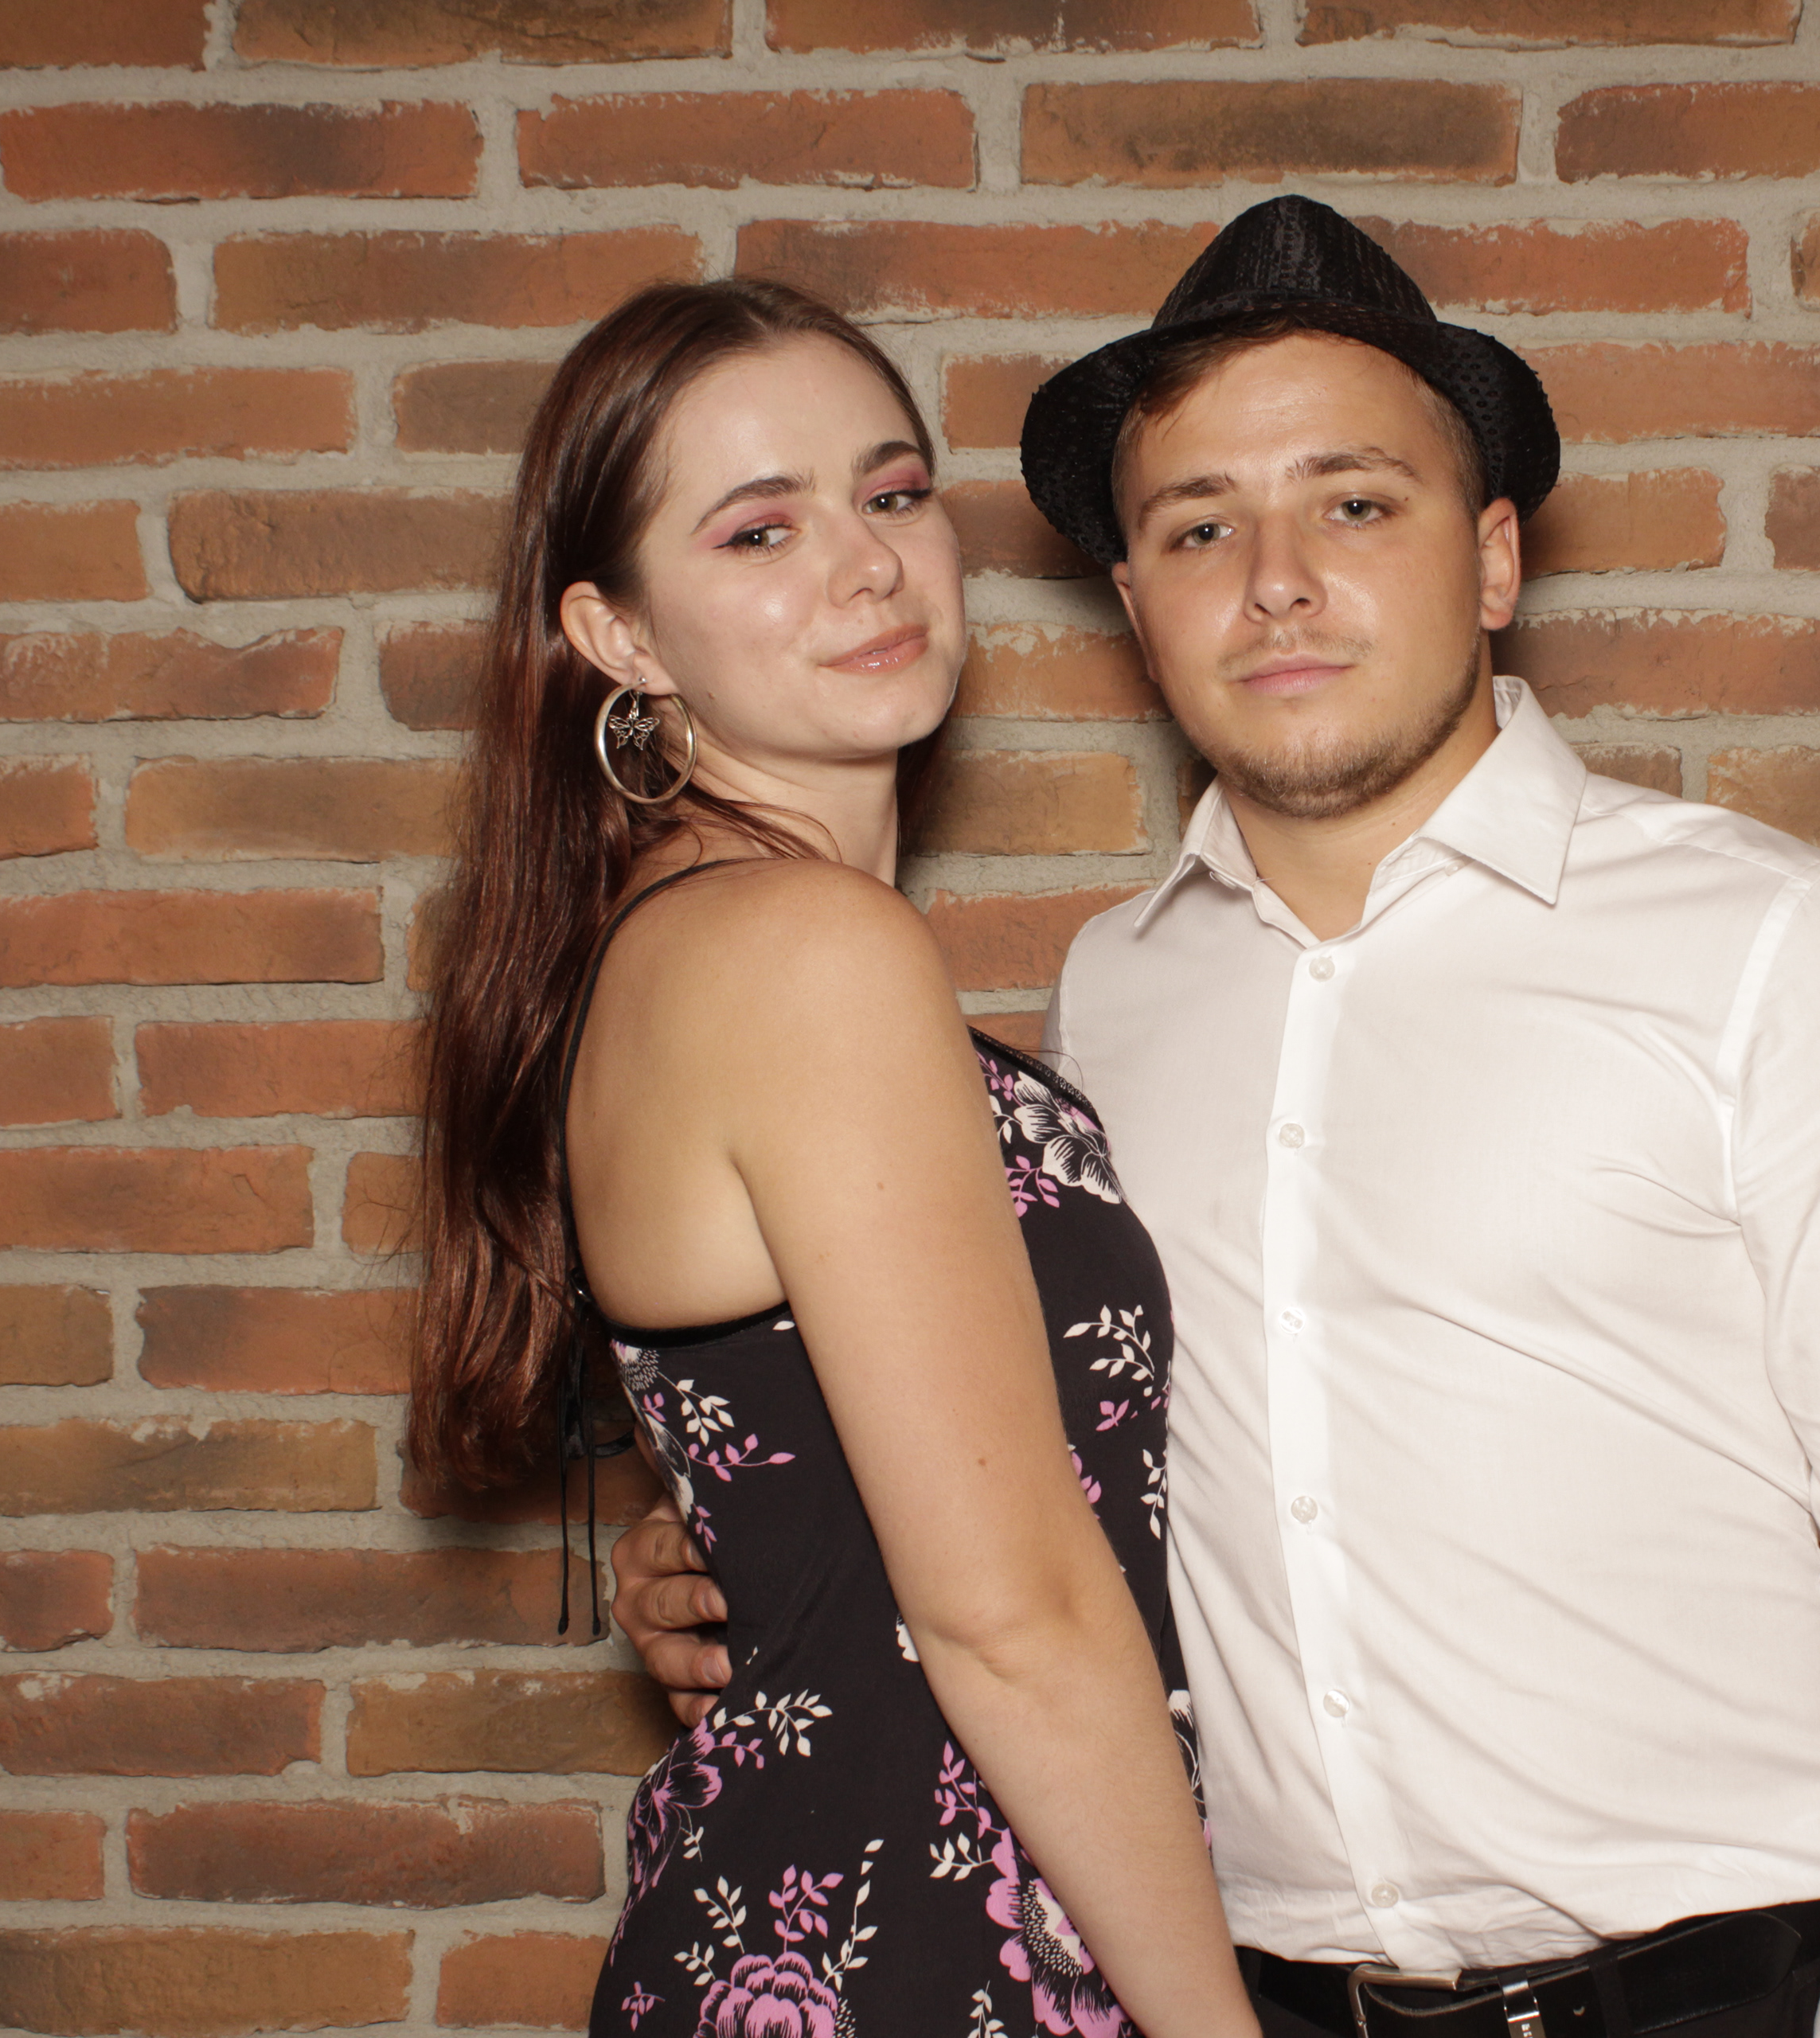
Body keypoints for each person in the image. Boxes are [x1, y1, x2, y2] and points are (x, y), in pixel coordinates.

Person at [615, 201, 1820, 2038]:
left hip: (1713, 1990)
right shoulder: (1108, 1003)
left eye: (1354, 502)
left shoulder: (1786, 956)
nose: (1276, 580)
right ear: (1134, 605)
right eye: (1199, 527)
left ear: (1491, 559)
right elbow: (1027, 1459)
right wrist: (749, 1538)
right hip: (1239, 1992)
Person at [408, 276, 1258, 2038]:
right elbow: (1012, 1616)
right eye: (758, 529)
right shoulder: (807, 951)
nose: (867, 564)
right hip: (917, 1962)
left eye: (891, 492)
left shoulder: (675, 940)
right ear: (620, 634)